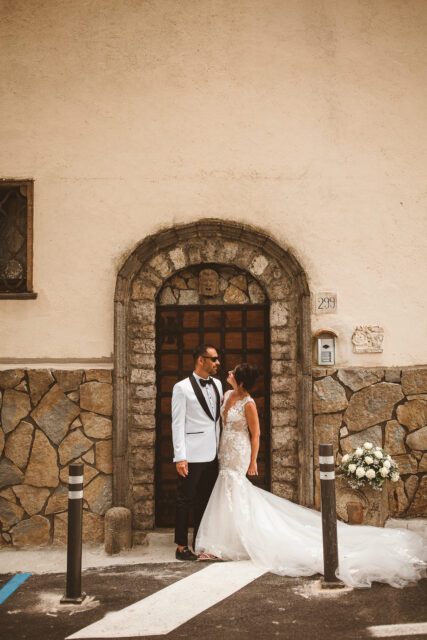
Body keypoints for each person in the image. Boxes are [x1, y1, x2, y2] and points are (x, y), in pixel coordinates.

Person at [196, 363, 426, 588]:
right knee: (228, 486)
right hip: (225, 449)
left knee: (234, 486)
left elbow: (255, 435)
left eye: (233, 372)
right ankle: (232, 537)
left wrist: (253, 460)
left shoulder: (249, 403)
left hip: (240, 451)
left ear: (241, 379)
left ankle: (231, 541)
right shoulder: (226, 395)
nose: (228, 372)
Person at [171, 344, 223, 561]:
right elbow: (177, 424)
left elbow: (216, 419)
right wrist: (180, 456)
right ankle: (181, 547)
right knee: (185, 499)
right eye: (214, 359)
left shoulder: (219, 384)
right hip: (191, 454)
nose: (217, 363)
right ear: (201, 360)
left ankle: (200, 543)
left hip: (213, 452)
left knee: (205, 499)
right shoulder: (181, 388)